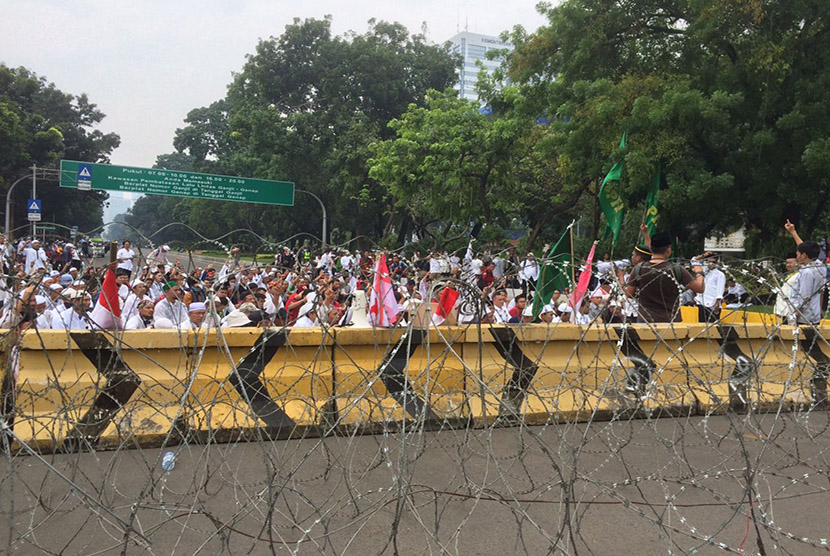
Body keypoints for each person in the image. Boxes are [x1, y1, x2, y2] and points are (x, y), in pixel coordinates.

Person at [625, 232, 705, 323]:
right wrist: (699, 272)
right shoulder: (677, 270)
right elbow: (699, 288)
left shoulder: (638, 269)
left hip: (645, 321)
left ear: (651, 249)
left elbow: (629, 294)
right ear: (668, 251)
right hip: (671, 322)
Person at [692, 252, 726, 322]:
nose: (710, 264)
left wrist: (716, 305)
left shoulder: (719, 274)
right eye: (708, 261)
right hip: (701, 303)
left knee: (712, 328)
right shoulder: (703, 271)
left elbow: (720, 291)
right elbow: (693, 260)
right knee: (701, 326)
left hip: (712, 305)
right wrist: (704, 255)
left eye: (713, 262)